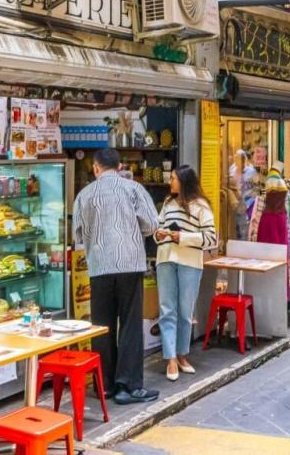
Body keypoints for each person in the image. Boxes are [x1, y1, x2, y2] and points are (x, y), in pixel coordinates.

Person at [72, 148, 160, 405]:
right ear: (120, 166)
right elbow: (152, 225)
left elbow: (78, 234)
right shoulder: (133, 189)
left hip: (99, 266)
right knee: (130, 323)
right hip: (129, 264)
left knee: (102, 325)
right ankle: (129, 386)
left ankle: (106, 385)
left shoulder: (84, 195)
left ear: (96, 168)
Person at [155, 166, 217, 382]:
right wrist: (160, 234)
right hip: (165, 259)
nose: (170, 182)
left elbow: (211, 239)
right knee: (166, 309)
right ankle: (170, 357)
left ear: (184, 181)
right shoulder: (167, 203)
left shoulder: (201, 206)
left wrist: (181, 236)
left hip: (190, 261)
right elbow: (157, 228)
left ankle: (181, 354)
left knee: (184, 310)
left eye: (173, 178)